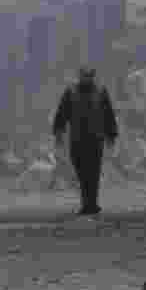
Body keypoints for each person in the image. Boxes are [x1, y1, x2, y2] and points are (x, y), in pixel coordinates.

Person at [52, 66, 118, 215]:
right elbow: (62, 113)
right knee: (81, 173)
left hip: (95, 140)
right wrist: (58, 132)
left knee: (93, 173)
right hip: (77, 140)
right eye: (84, 76)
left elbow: (108, 114)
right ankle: (87, 203)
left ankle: (91, 205)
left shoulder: (100, 92)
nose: (87, 78)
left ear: (93, 77)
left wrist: (111, 135)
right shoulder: (71, 92)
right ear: (80, 76)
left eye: (89, 76)